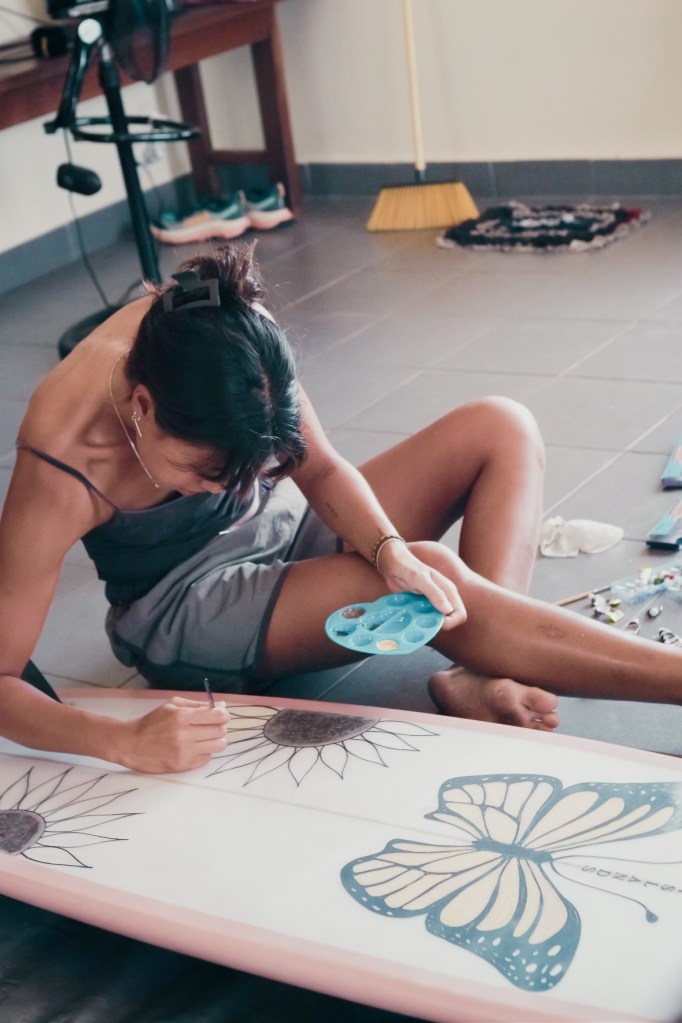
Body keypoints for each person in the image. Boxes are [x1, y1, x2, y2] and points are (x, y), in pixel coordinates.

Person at [2, 244, 681, 775]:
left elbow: (321, 469)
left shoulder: (232, 335)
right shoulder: (62, 458)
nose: (229, 487)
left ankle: (481, 671)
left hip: (283, 525)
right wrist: (121, 741)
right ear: (143, 407)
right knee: (433, 573)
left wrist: (387, 549)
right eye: (205, 474)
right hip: (185, 599)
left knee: (500, 426)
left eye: (251, 466)